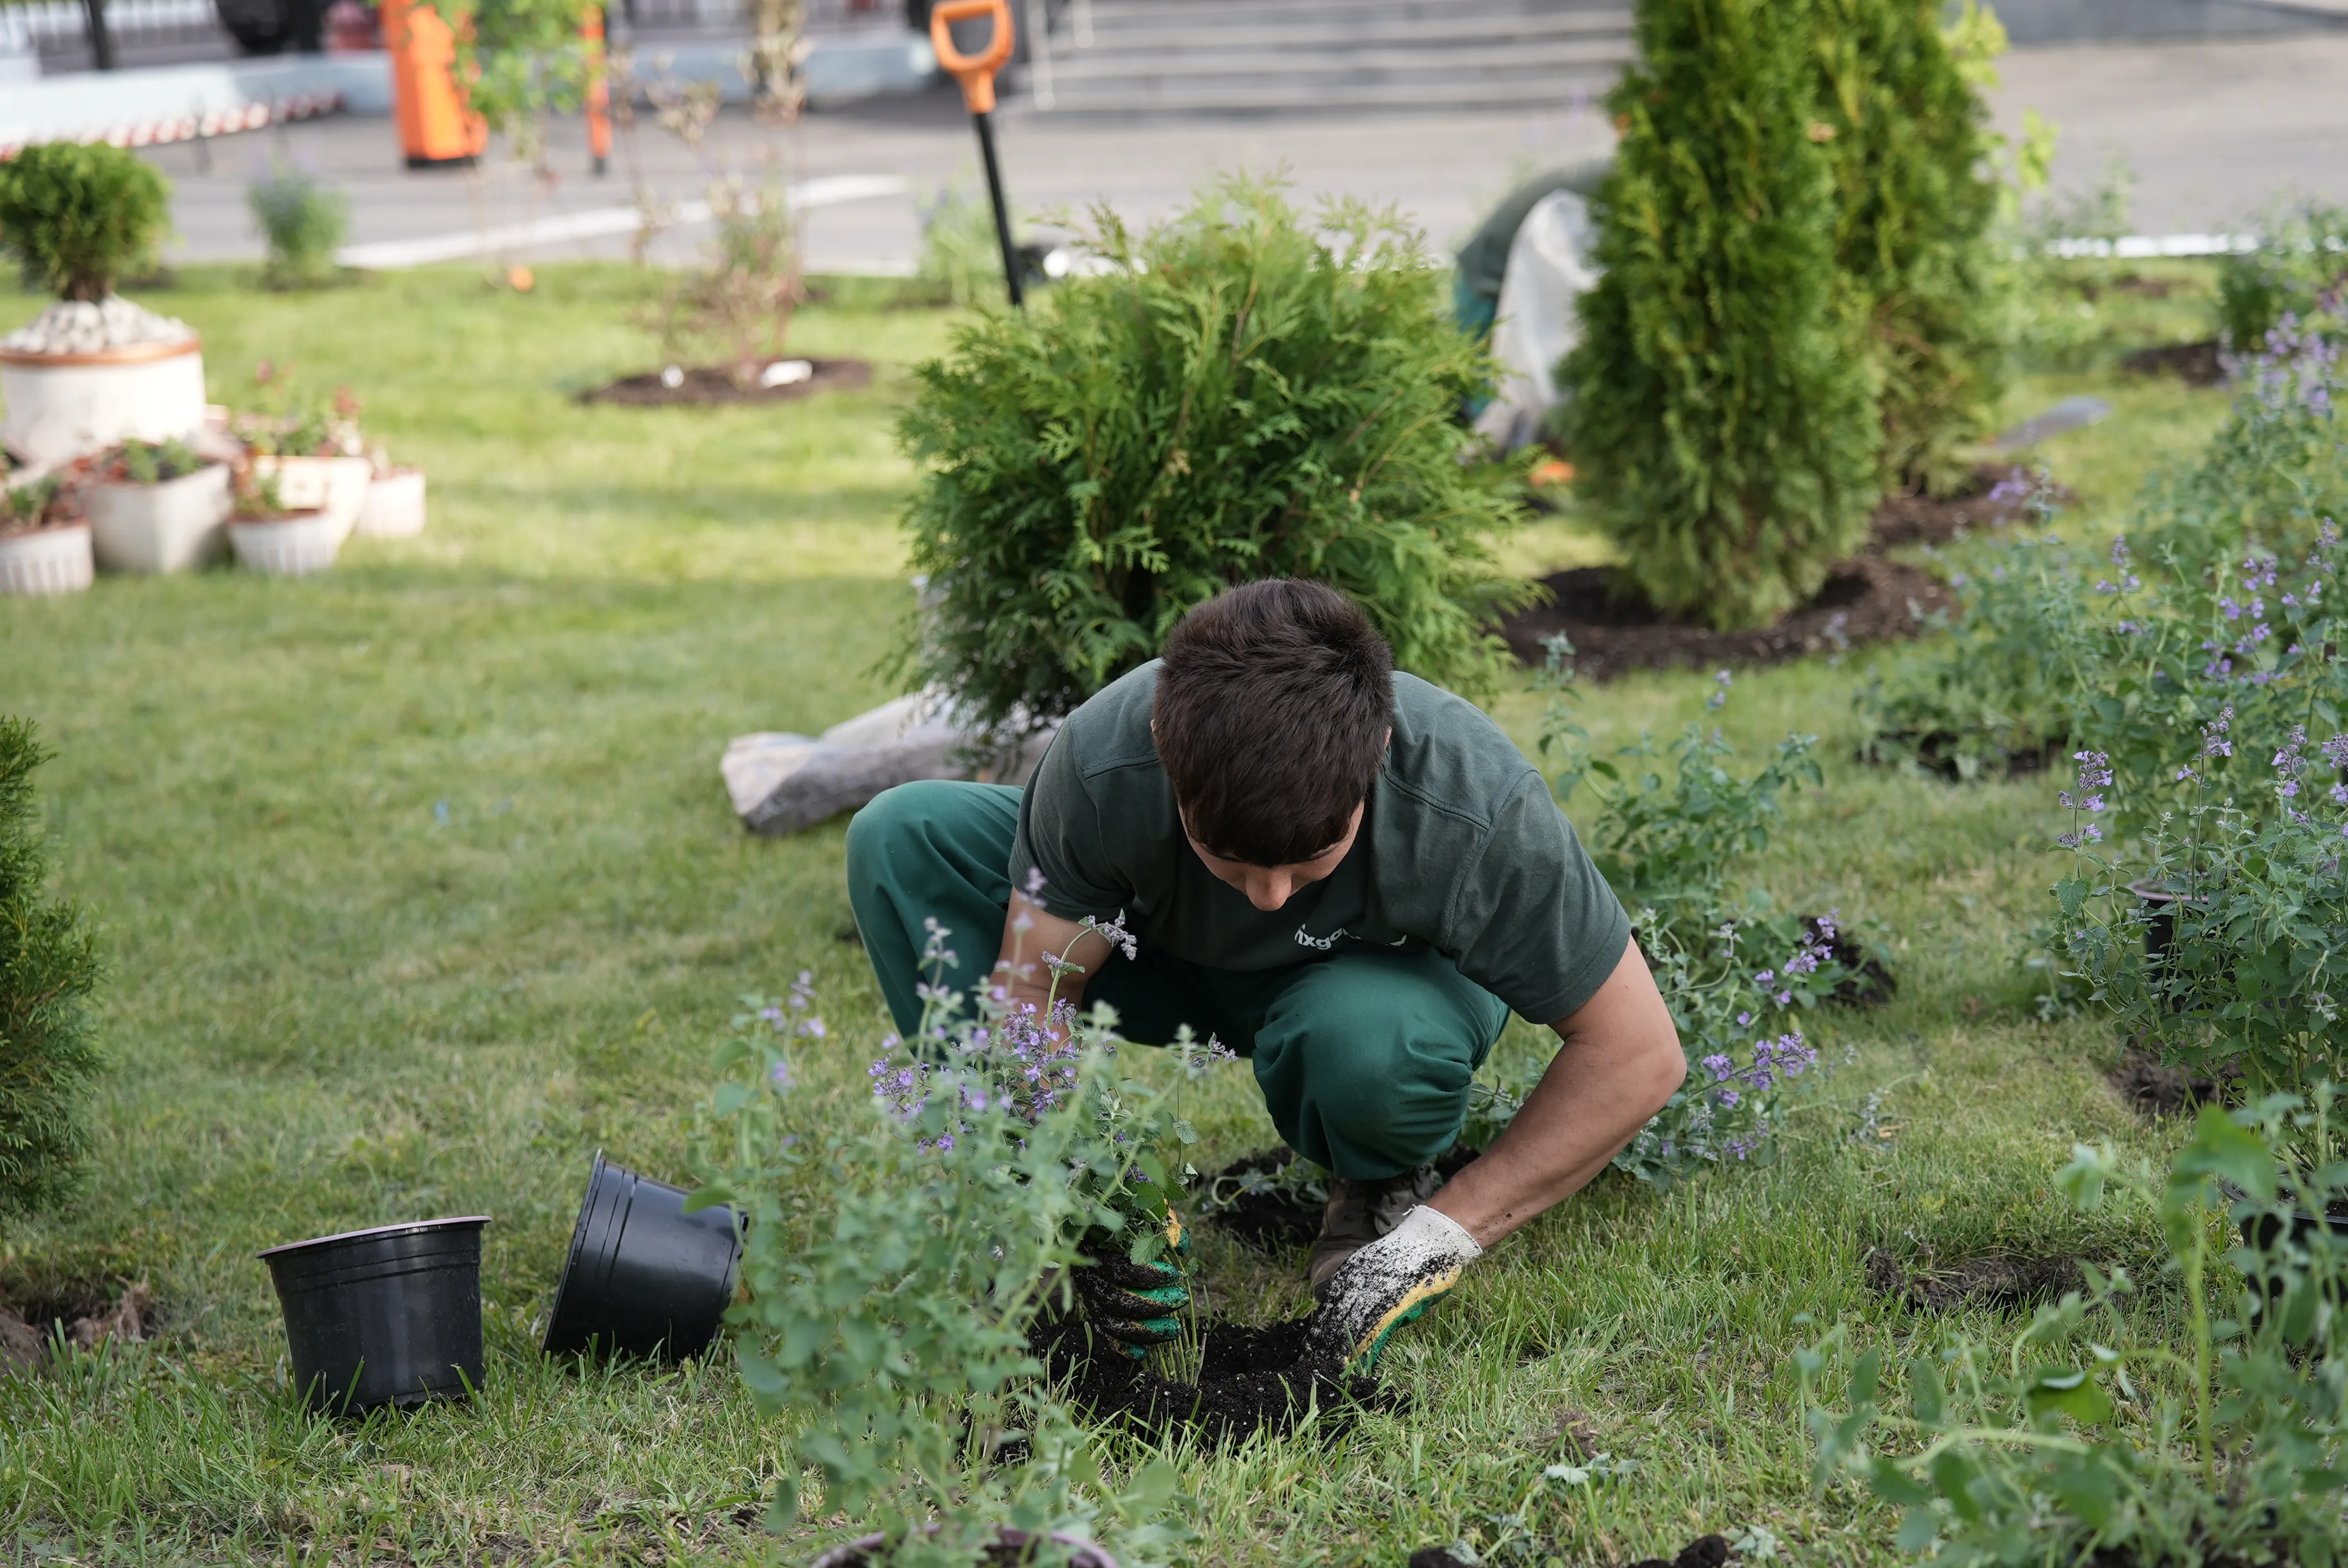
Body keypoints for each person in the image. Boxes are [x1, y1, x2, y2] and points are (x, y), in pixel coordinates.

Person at [845, 579, 1684, 1372]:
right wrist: (1080, 1183)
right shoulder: (1106, 759)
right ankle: (1014, 1192)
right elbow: (1033, 990)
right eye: (1232, 858)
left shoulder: (1475, 806)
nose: (1270, 895)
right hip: (1166, 959)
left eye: (1312, 857)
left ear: (1380, 748)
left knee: (1371, 1048)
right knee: (904, 833)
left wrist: (1440, 1238)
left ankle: (1379, 1174)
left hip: (1370, 993)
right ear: (1166, 756)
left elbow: (1636, 1051)